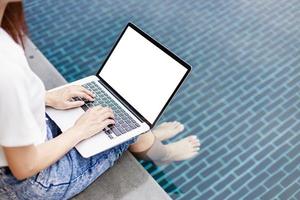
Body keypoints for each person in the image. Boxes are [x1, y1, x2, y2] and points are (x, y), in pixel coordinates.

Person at [0, 0, 200, 199]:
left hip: (22, 146)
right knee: (130, 122)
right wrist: (80, 130)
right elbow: (24, 166)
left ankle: (149, 139)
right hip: (34, 182)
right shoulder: (7, 71)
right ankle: (163, 154)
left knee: (119, 112)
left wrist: (46, 97)